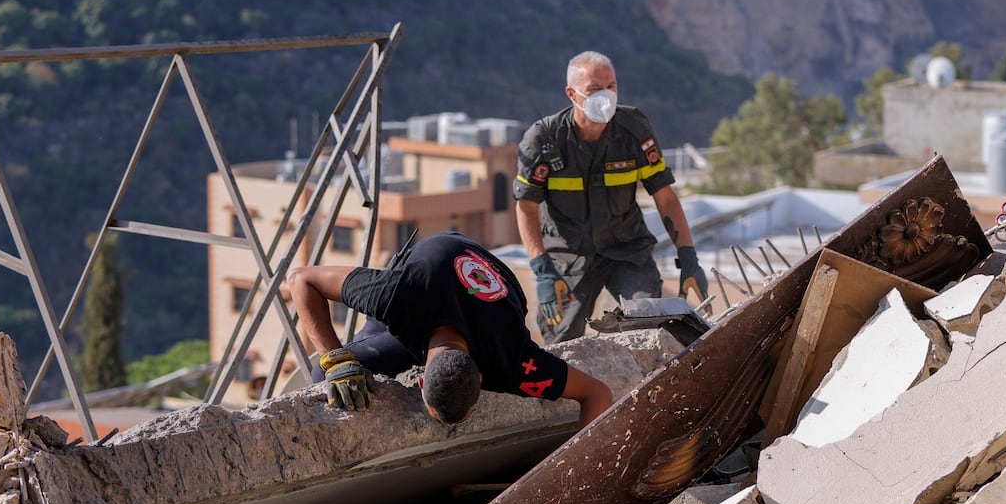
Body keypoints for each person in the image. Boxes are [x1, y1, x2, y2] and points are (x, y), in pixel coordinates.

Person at [286, 231, 612, 427]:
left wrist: (576, 472)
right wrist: (336, 360)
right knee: (326, 378)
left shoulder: (513, 359)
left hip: (479, 275)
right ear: (420, 379)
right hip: (430, 268)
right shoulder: (396, 294)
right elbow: (301, 279)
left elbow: (597, 394)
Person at [515, 50, 707, 342]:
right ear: (571, 93)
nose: (605, 95)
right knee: (563, 340)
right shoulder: (544, 140)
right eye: (594, 89)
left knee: (648, 325)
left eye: (611, 87)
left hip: (626, 249)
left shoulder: (634, 131)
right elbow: (526, 206)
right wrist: (542, 270)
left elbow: (665, 197)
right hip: (569, 256)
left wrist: (688, 257)